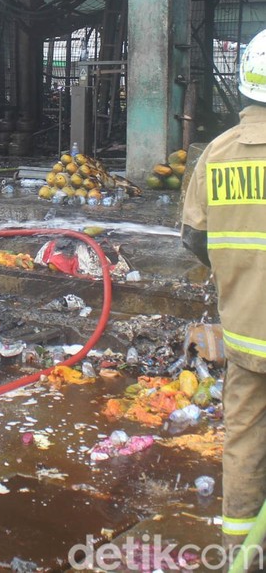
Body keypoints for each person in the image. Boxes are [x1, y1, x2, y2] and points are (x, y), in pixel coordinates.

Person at [182, 29, 266, 567]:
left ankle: (241, 550)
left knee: (243, 441)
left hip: (244, 335)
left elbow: (195, 239)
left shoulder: (217, 153)